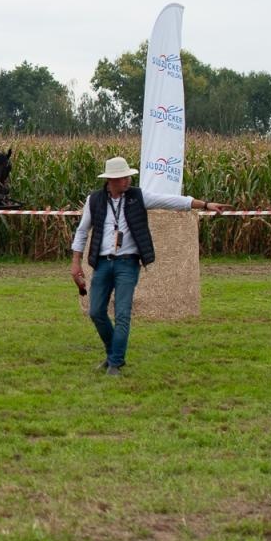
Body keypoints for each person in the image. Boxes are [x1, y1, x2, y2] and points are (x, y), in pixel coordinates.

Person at [68, 156, 229, 376]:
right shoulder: (94, 200)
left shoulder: (138, 197)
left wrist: (205, 204)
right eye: (123, 178)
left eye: (128, 177)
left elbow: (171, 201)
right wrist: (75, 262)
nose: (127, 181)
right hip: (103, 264)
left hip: (128, 264)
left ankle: (115, 363)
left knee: (123, 313)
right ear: (111, 180)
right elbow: (82, 231)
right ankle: (112, 353)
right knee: (96, 312)